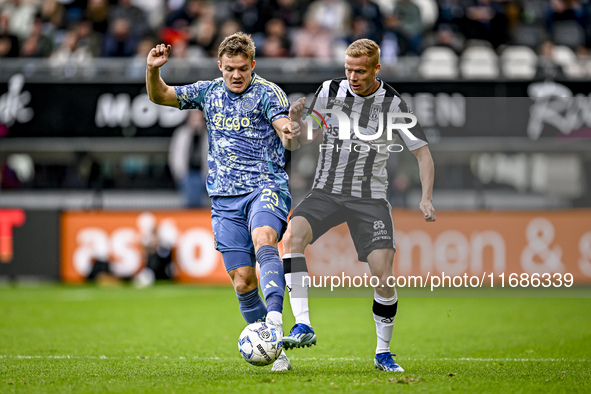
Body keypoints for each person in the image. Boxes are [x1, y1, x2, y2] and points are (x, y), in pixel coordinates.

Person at [146, 32, 301, 371]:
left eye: (243, 69)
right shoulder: (208, 92)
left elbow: (284, 127)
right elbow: (161, 96)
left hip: (265, 187)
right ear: (220, 66)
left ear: (253, 66)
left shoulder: (268, 93)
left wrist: (289, 131)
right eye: (229, 68)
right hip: (224, 199)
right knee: (243, 280)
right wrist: (153, 70)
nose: (236, 75)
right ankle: (277, 350)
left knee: (265, 238)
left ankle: (274, 322)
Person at [281, 38, 436, 372]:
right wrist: (295, 128)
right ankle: (303, 325)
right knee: (292, 237)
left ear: (376, 69)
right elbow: (309, 136)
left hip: (370, 198)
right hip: (326, 191)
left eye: (361, 71)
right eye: (348, 69)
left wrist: (426, 197)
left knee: (383, 275)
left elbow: (422, 153)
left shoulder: (393, 104)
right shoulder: (329, 90)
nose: (352, 76)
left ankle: (383, 352)